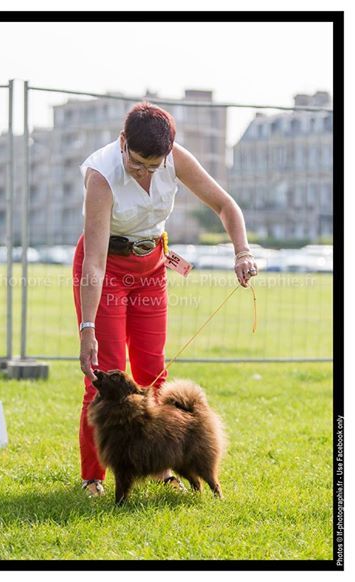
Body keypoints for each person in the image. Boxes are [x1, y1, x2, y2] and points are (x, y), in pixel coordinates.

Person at [72, 102, 257, 497]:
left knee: (153, 370)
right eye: (138, 164)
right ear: (123, 143)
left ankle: (157, 464)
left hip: (151, 268)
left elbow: (227, 206)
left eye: (154, 167)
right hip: (105, 268)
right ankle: (94, 477)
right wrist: (87, 327)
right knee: (102, 375)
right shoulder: (101, 175)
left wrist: (241, 252)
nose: (145, 173)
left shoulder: (174, 158)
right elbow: (94, 258)